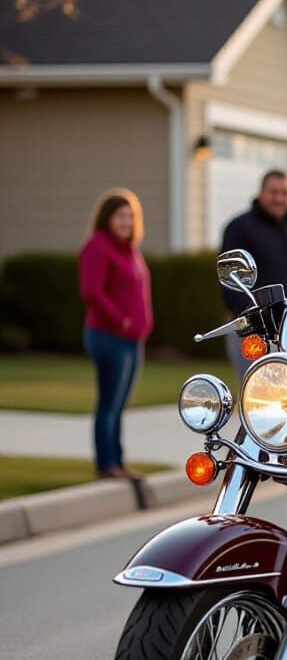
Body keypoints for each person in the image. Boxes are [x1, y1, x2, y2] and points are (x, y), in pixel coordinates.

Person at [77, 188, 154, 480]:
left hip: (132, 340)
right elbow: (91, 292)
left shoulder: (129, 250)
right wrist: (121, 321)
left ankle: (117, 462)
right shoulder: (97, 246)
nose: (126, 222)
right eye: (120, 216)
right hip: (108, 337)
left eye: (130, 216)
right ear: (106, 218)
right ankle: (106, 465)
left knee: (119, 403)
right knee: (109, 402)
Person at [219, 169, 287, 379]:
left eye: (284, 193)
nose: (279, 198)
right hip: (254, 332)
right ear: (261, 192)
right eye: (273, 192)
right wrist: (252, 319)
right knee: (258, 396)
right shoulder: (239, 228)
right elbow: (230, 280)